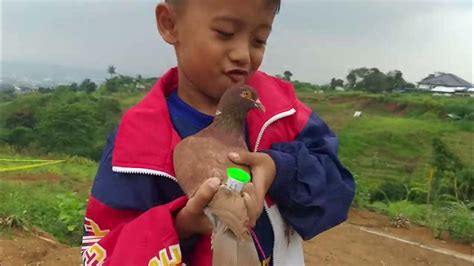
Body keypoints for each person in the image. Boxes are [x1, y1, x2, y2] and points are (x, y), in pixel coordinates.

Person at [81, 0, 355, 265]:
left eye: (259, 40)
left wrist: (279, 169)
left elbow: (338, 191)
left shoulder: (284, 113)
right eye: (225, 33)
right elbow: (103, 252)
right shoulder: (135, 142)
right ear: (170, 24)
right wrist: (179, 225)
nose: (243, 54)